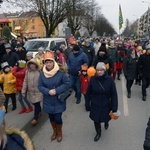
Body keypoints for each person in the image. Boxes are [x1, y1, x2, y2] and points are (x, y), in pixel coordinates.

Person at [38, 51, 70, 142]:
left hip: (58, 100)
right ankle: (54, 131)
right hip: (48, 100)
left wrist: (56, 90)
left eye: (50, 62)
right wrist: (48, 91)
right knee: (51, 118)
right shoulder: (41, 74)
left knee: (58, 118)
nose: (48, 64)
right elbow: (39, 86)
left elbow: (67, 84)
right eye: (47, 62)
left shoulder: (61, 72)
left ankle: (59, 132)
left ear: (54, 62)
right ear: (44, 63)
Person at [85, 62, 118, 142]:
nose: (99, 72)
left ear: (104, 70)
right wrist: (87, 104)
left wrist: (114, 107)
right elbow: (88, 93)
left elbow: (114, 94)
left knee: (105, 117)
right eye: (98, 70)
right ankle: (98, 132)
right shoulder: (93, 79)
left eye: (101, 70)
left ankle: (106, 122)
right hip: (95, 104)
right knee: (96, 120)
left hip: (106, 104)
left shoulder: (109, 79)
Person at [21, 59, 43, 125]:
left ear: (35, 64)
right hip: (31, 91)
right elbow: (25, 81)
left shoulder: (39, 72)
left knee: (36, 104)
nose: (32, 66)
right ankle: (39, 111)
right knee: (35, 103)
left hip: (38, 91)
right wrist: (23, 90)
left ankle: (35, 118)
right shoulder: (27, 72)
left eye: (33, 64)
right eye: (31, 64)